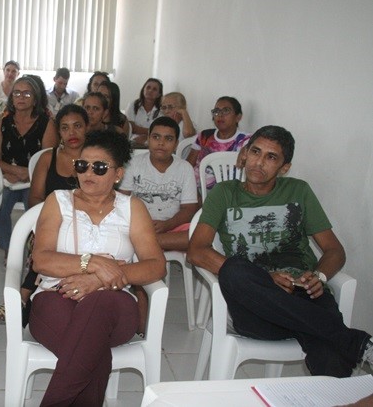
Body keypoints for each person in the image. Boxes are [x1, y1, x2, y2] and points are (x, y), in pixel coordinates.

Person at [187, 125, 373, 377]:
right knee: (233, 269)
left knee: (330, 357)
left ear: (284, 168)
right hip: (256, 306)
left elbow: (334, 250)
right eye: (255, 152)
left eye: (271, 157)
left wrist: (319, 277)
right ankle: (354, 342)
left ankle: (345, 346)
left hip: (304, 293)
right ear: (244, 154)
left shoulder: (299, 191)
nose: (259, 162)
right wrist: (265, 279)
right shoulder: (224, 193)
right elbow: (196, 251)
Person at [29, 129, 166, 406]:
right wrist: (91, 263)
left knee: (99, 305)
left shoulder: (132, 208)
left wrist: (103, 279)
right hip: (56, 294)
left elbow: (156, 266)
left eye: (100, 167)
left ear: (118, 174)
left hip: (114, 303)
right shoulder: (58, 201)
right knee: (92, 354)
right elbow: (41, 259)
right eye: (82, 165)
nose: (88, 173)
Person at [0, 104, 86, 325]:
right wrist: (56, 219)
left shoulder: (97, 159)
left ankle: (23, 298)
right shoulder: (47, 158)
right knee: (46, 241)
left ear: (87, 127)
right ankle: (29, 298)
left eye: (77, 126)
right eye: (65, 128)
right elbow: (34, 199)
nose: (71, 133)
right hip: (52, 219)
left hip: (89, 222)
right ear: (58, 132)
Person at [119, 117, 198, 334]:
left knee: (197, 236)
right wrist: (141, 226)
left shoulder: (184, 168)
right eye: (156, 137)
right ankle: (143, 326)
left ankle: (149, 244)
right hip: (139, 225)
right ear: (148, 139)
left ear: (176, 143)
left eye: (168, 139)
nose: (161, 143)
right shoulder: (134, 163)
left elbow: (189, 209)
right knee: (142, 258)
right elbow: (121, 199)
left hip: (172, 226)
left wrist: (166, 225)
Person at [0, 75, 57, 256]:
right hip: (7, 177)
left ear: (36, 98)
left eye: (27, 94)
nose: (20, 97)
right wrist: (12, 171)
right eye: (17, 93)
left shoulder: (46, 124)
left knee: (35, 210)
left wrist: (28, 174)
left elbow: (48, 158)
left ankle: (31, 250)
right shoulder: (2, 123)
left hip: (36, 178)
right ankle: (9, 250)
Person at [186, 96, 251, 192]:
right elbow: (188, 166)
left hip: (228, 193)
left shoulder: (246, 140)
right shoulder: (204, 136)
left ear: (238, 117)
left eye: (226, 110)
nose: (220, 115)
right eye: (216, 111)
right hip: (196, 189)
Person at [126, 78, 163, 145]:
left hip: (153, 142)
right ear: (143, 90)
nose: (150, 91)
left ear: (159, 94)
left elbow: (160, 131)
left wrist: (146, 135)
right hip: (133, 141)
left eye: (154, 89)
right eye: (148, 87)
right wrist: (151, 131)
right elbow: (131, 127)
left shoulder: (162, 109)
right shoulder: (133, 105)